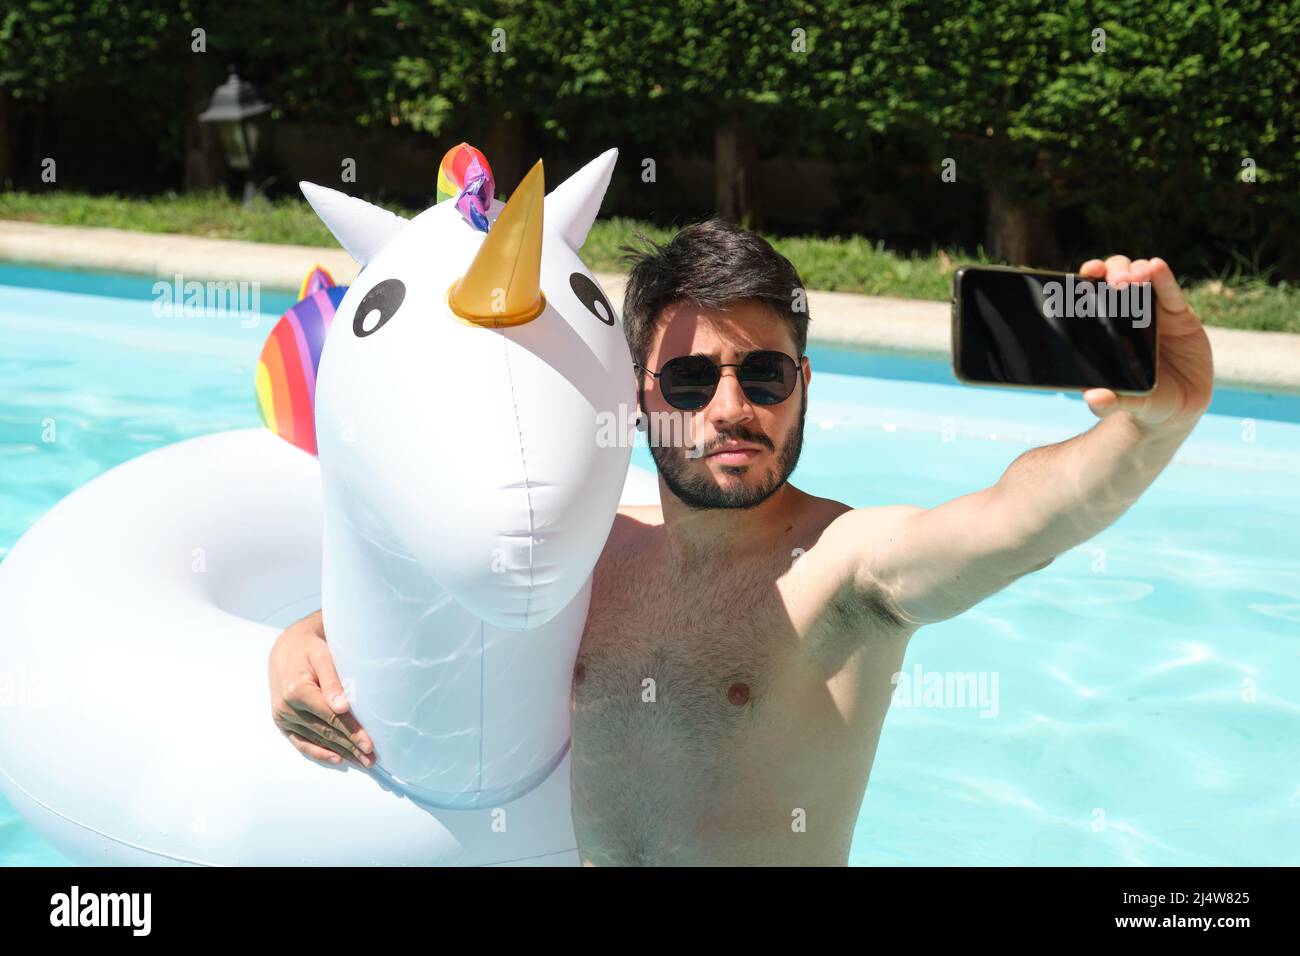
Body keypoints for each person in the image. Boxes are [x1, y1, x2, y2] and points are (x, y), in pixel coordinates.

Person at [268, 219, 1214, 865]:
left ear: (804, 383)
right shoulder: (588, 554)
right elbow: (422, 596)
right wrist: (300, 642)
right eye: (688, 381)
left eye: (763, 375)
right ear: (636, 394)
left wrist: (1147, 427)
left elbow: (1017, 520)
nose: (730, 411)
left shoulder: (847, 569)